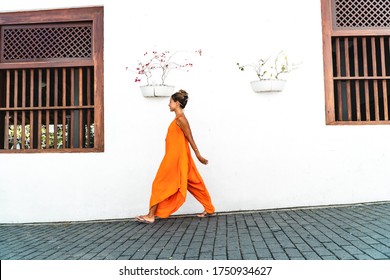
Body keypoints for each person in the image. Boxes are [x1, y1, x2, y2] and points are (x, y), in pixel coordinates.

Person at [136, 89, 215, 224]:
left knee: (158, 184)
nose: (168, 104)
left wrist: (198, 155)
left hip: (176, 159)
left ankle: (151, 215)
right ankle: (210, 209)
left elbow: (190, 137)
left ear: (177, 103)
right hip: (178, 156)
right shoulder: (178, 119)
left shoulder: (181, 119)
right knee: (195, 182)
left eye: (170, 102)